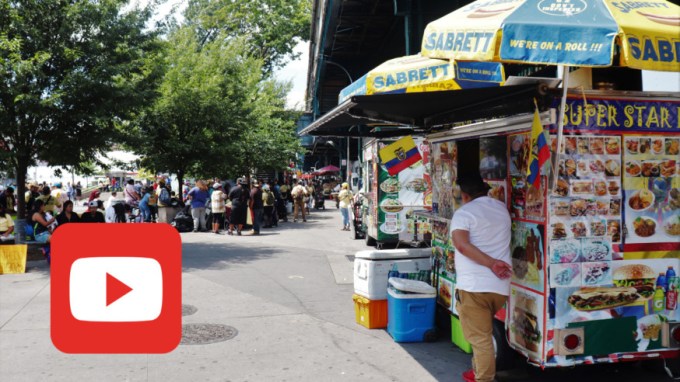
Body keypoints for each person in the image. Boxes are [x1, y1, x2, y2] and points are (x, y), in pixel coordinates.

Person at [450, 173, 512, 382]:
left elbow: (461, 245)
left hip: (474, 286)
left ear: (465, 195)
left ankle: (484, 378)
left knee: (480, 339)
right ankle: (478, 371)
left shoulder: (464, 213)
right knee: (483, 334)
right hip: (499, 287)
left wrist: (491, 264)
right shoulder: (501, 209)